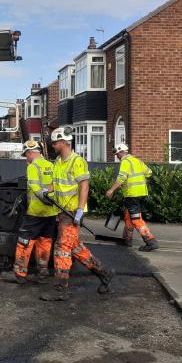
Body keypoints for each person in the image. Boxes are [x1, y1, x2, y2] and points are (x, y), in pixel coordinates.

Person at [40, 127, 115, 301]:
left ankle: (61, 288)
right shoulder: (58, 161)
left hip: (72, 211)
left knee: (62, 248)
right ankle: (105, 273)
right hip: (62, 212)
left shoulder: (77, 161)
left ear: (64, 142)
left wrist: (80, 209)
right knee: (74, 247)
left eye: (55, 142)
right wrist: (46, 190)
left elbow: (84, 186)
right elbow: (56, 184)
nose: (53, 145)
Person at [0, 140, 58, 284]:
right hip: (51, 213)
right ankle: (43, 273)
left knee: (24, 241)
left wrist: (45, 200)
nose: (26, 157)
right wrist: (51, 202)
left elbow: (36, 189)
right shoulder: (51, 165)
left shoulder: (33, 167)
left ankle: (19, 273)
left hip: (36, 212)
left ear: (30, 153)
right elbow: (56, 186)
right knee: (44, 241)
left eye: (26, 154)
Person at [105, 143, 158, 251]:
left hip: (132, 194)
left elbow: (121, 178)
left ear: (121, 152)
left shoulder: (125, 162)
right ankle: (127, 239)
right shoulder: (137, 161)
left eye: (117, 154)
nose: (117, 157)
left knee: (136, 219)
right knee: (128, 216)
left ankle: (150, 241)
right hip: (141, 193)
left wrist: (111, 190)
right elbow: (149, 173)